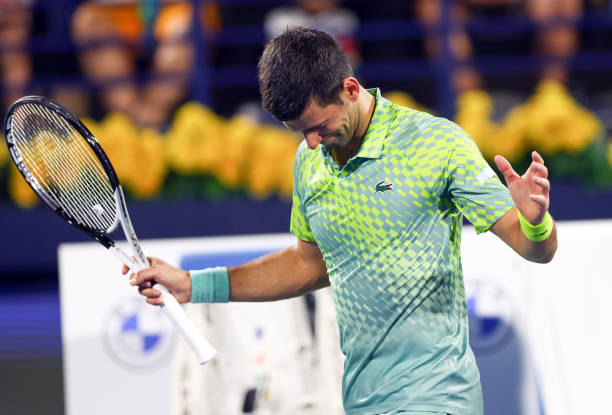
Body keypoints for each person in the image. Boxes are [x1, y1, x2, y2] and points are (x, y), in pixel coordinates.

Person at [126, 27, 557, 414]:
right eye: (299, 132)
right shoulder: (310, 162)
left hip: (436, 396)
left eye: (318, 126)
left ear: (351, 88)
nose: (311, 143)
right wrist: (192, 284)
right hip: (361, 399)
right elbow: (308, 266)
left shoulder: (435, 143)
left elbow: (534, 249)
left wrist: (535, 221)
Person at [71, 0, 220, 129]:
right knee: (89, 21)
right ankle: (132, 118)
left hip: (175, 13)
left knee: (193, 22)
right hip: (118, 14)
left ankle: (151, 119)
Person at [415, 0, 582, 92]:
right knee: (435, 8)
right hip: (467, 11)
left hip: (523, 10)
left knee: (561, 3)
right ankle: (470, 110)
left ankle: (553, 99)